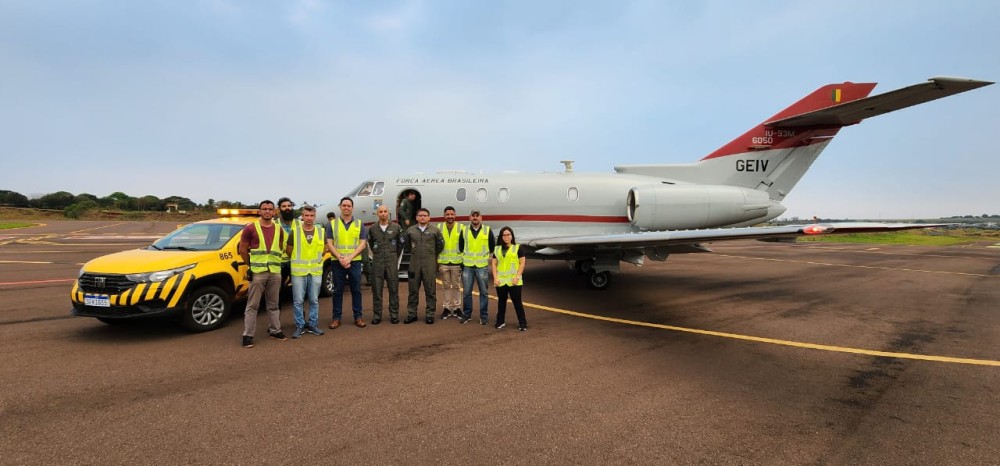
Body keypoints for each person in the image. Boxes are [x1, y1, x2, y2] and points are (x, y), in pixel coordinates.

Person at [238, 200, 288, 347]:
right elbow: (242, 250)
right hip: (258, 272)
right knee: (253, 305)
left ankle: (275, 330)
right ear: (259, 211)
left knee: (273, 304)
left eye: (270, 209)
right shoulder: (250, 228)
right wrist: (251, 265)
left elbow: (281, 247)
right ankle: (248, 335)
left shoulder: (279, 229)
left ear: (274, 212)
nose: (267, 211)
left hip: (275, 272)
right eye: (264, 209)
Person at [325, 197, 369, 329]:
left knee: (356, 290)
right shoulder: (332, 224)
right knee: (337, 290)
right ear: (340, 207)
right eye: (344, 205)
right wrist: (340, 258)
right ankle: (336, 318)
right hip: (337, 261)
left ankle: (358, 317)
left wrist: (349, 258)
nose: (346, 208)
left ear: (352, 208)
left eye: (349, 206)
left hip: (354, 261)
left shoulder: (359, 224)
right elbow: (329, 243)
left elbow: (363, 244)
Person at [284, 204, 326, 339]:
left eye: (311, 215)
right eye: (306, 215)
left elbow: (324, 248)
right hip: (298, 272)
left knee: (314, 300)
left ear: (315, 217)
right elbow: (289, 250)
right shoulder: (295, 232)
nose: (309, 218)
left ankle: (313, 324)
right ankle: (300, 325)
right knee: (298, 300)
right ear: (302, 216)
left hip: (315, 271)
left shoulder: (321, 232)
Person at [404, 208, 443, 324]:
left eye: (425, 215)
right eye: (420, 215)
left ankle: (430, 314)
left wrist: (431, 255)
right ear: (416, 217)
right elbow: (407, 246)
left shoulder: (435, 230)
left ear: (429, 218)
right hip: (414, 265)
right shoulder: (410, 231)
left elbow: (440, 245)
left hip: (429, 265)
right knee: (412, 291)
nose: (422, 217)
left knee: (430, 291)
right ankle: (412, 314)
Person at [368, 204, 404, 324]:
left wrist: (393, 256)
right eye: (381, 212)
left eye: (385, 211)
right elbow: (371, 244)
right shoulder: (373, 228)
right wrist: (377, 254)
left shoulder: (396, 227)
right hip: (377, 263)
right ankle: (377, 315)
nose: (383, 214)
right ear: (377, 214)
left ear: (388, 213)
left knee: (393, 289)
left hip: (391, 262)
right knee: (377, 290)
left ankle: (394, 315)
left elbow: (400, 244)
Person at [459, 209, 495, 325]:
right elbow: (461, 247)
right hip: (468, 266)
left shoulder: (487, 230)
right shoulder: (464, 230)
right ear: (470, 218)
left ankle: (483, 316)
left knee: (484, 292)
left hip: (482, 266)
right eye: (473, 215)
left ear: (481, 218)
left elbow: (492, 246)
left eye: (477, 215)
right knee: (467, 292)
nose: (475, 217)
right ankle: (467, 314)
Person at [491, 226, 527, 331]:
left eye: (508, 234)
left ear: (512, 236)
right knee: (501, 302)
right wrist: (495, 278)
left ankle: (522, 323)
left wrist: (517, 277)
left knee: (517, 302)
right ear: (501, 237)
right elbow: (494, 264)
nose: (506, 237)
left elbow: (522, 263)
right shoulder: (497, 249)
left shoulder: (518, 248)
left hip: (514, 281)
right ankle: (500, 321)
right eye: (504, 235)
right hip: (501, 280)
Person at [437, 206, 465, 320]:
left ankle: (457, 308)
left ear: (455, 215)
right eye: (447, 214)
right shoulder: (439, 228)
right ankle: (447, 308)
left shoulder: (462, 228)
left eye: (452, 214)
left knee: (457, 286)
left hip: (457, 262)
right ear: (444, 216)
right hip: (443, 262)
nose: (450, 216)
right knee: (446, 286)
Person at [276, 197, 297, 289]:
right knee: (277, 290)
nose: (287, 208)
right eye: (284, 206)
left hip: (296, 262)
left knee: (298, 290)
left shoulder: (300, 224)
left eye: (289, 206)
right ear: (279, 209)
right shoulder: (273, 225)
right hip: (279, 263)